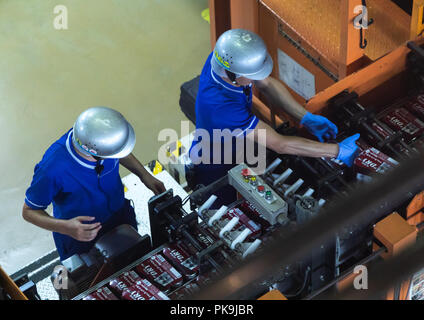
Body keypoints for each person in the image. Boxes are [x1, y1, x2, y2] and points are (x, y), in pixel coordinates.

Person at [187, 29, 360, 205]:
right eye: (252, 76)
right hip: (216, 168)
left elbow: (266, 83)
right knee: (230, 211)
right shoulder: (220, 107)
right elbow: (280, 144)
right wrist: (338, 151)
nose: (256, 79)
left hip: (239, 149)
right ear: (233, 75)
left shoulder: (224, 60)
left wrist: (305, 117)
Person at [22, 107, 166, 261]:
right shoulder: (52, 169)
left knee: (133, 257)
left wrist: (144, 175)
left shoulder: (99, 138)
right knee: (91, 277)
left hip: (120, 214)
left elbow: (118, 151)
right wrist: (66, 227)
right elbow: (29, 212)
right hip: (80, 233)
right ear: (94, 153)